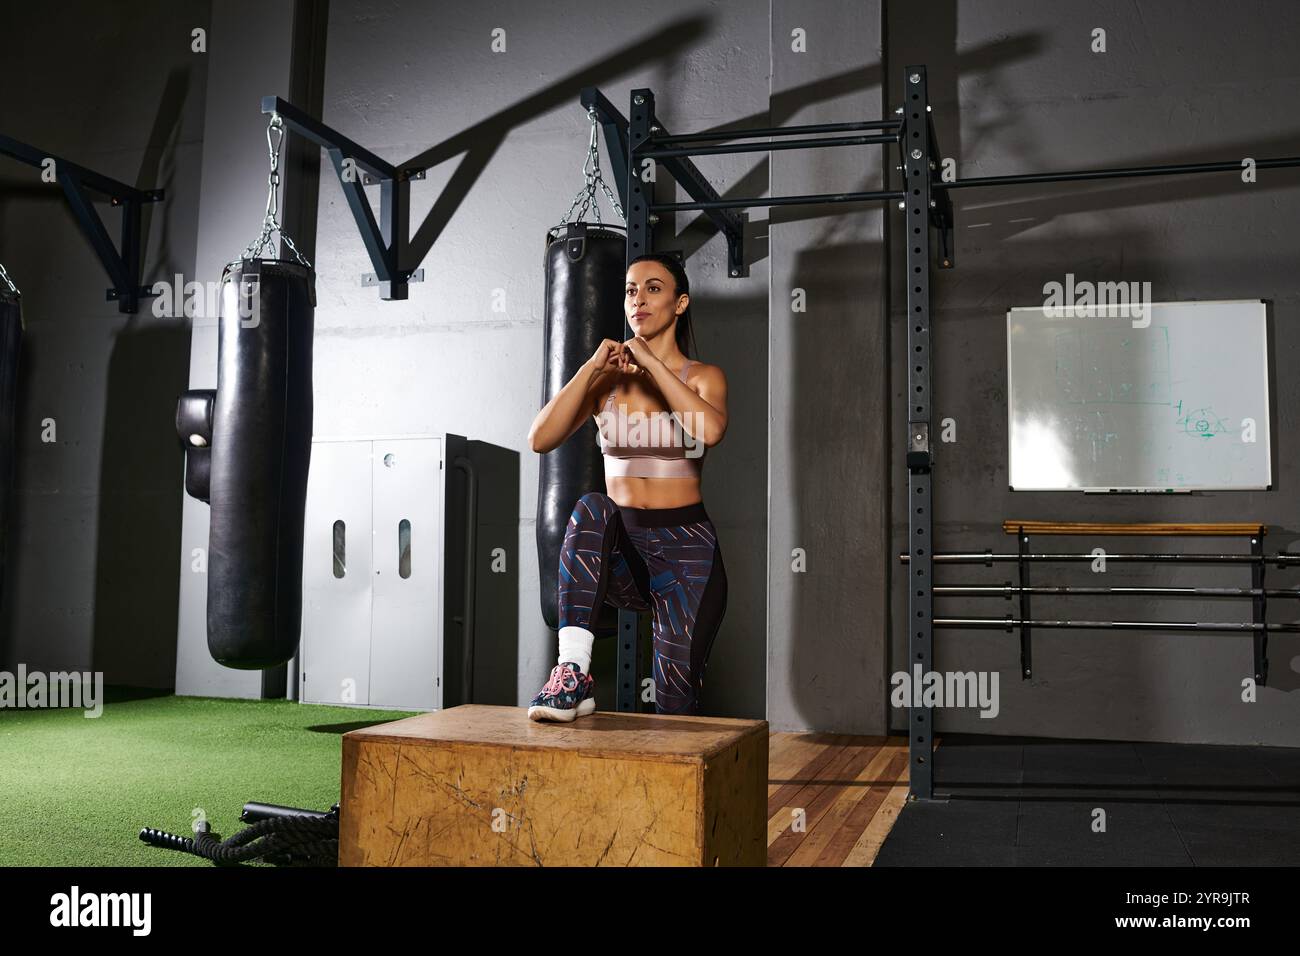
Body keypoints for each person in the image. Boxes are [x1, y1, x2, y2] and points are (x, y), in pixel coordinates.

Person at [526, 253, 729, 721]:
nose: (638, 299)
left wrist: (651, 364)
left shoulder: (702, 377)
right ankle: (572, 672)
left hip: (687, 559)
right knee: (593, 506)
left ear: (680, 304)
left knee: (675, 709)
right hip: (623, 553)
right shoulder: (608, 382)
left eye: (653, 288)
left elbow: (709, 431)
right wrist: (592, 368)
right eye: (631, 290)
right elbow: (540, 438)